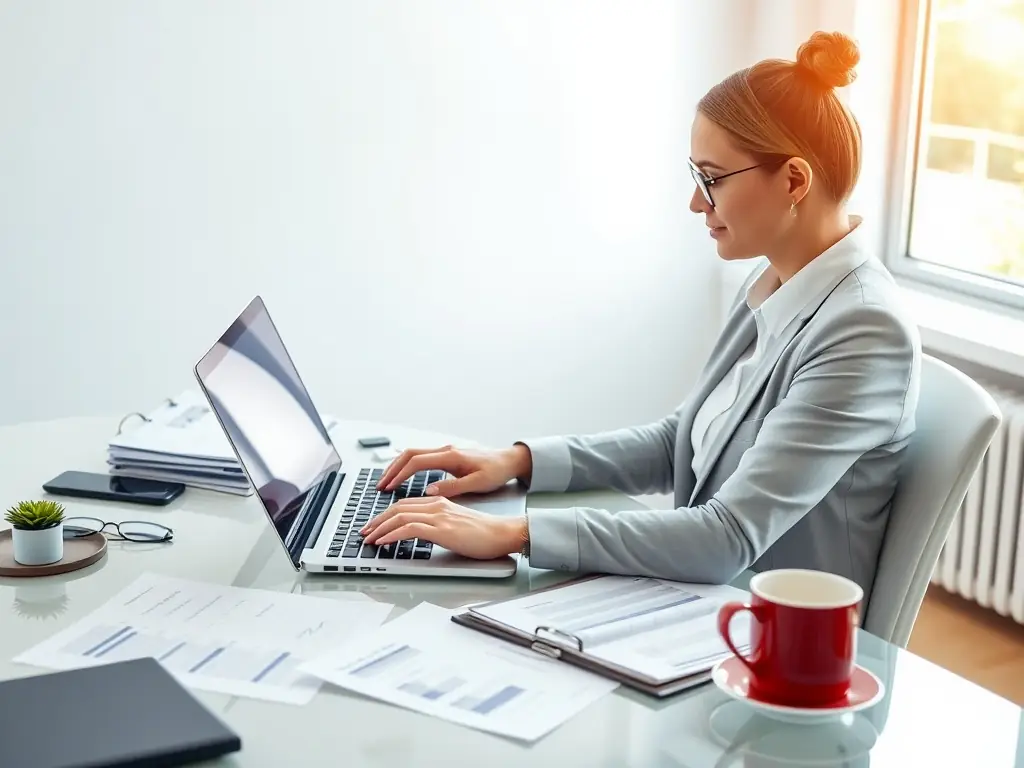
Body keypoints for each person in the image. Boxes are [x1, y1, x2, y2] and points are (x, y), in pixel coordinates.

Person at [361, 30, 921, 602]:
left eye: (712, 179)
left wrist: (515, 533)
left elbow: (724, 537)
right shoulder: (773, 281)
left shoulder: (863, 332)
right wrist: (517, 462)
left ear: (795, 180)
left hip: (770, 636)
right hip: (703, 601)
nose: (696, 202)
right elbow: (679, 442)